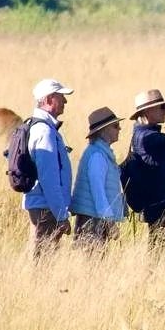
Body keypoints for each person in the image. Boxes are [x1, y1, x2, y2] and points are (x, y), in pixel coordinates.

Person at [122, 88, 165, 249]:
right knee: (160, 251)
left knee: (160, 249)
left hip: (160, 203)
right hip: (159, 203)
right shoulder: (147, 138)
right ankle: (153, 274)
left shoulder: (150, 135)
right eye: (161, 107)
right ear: (147, 111)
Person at [23, 78, 75, 258]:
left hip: (45, 206)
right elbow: (49, 179)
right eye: (61, 97)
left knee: (42, 258)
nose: (65, 102)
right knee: (42, 262)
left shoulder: (42, 127)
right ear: (48, 99)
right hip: (46, 209)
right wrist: (61, 215)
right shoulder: (44, 132)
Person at [70, 106, 126, 253]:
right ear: (104, 130)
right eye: (116, 126)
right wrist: (110, 222)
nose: (119, 129)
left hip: (94, 219)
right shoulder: (97, 156)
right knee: (92, 265)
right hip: (92, 221)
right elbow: (98, 192)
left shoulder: (100, 152)